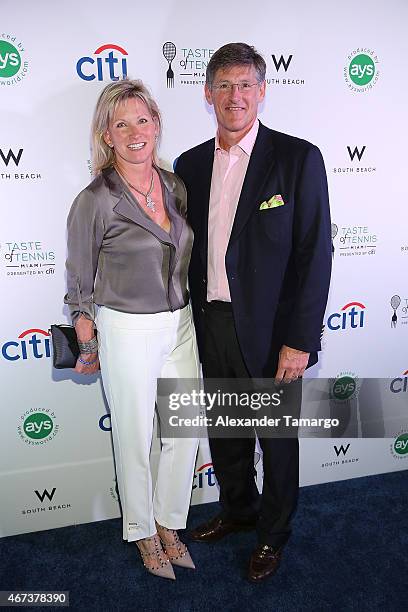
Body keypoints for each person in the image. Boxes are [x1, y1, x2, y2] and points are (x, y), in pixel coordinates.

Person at [175, 43, 332, 582]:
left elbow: (315, 253)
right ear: (207, 93)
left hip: (272, 333)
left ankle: (273, 534)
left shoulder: (297, 157)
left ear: (263, 91)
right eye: (224, 85)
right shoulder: (189, 164)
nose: (235, 96)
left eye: (246, 85)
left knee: (276, 438)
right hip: (212, 321)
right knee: (227, 430)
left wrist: (299, 340)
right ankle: (238, 510)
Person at [64, 79, 199, 580]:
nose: (134, 131)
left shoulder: (175, 186)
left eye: (142, 119)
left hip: (180, 323)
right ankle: (142, 532)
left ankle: (169, 522)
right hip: (125, 328)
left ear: (157, 124)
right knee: (135, 435)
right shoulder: (95, 199)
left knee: (184, 431)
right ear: (107, 135)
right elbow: (79, 283)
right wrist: (87, 341)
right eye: (121, 123)